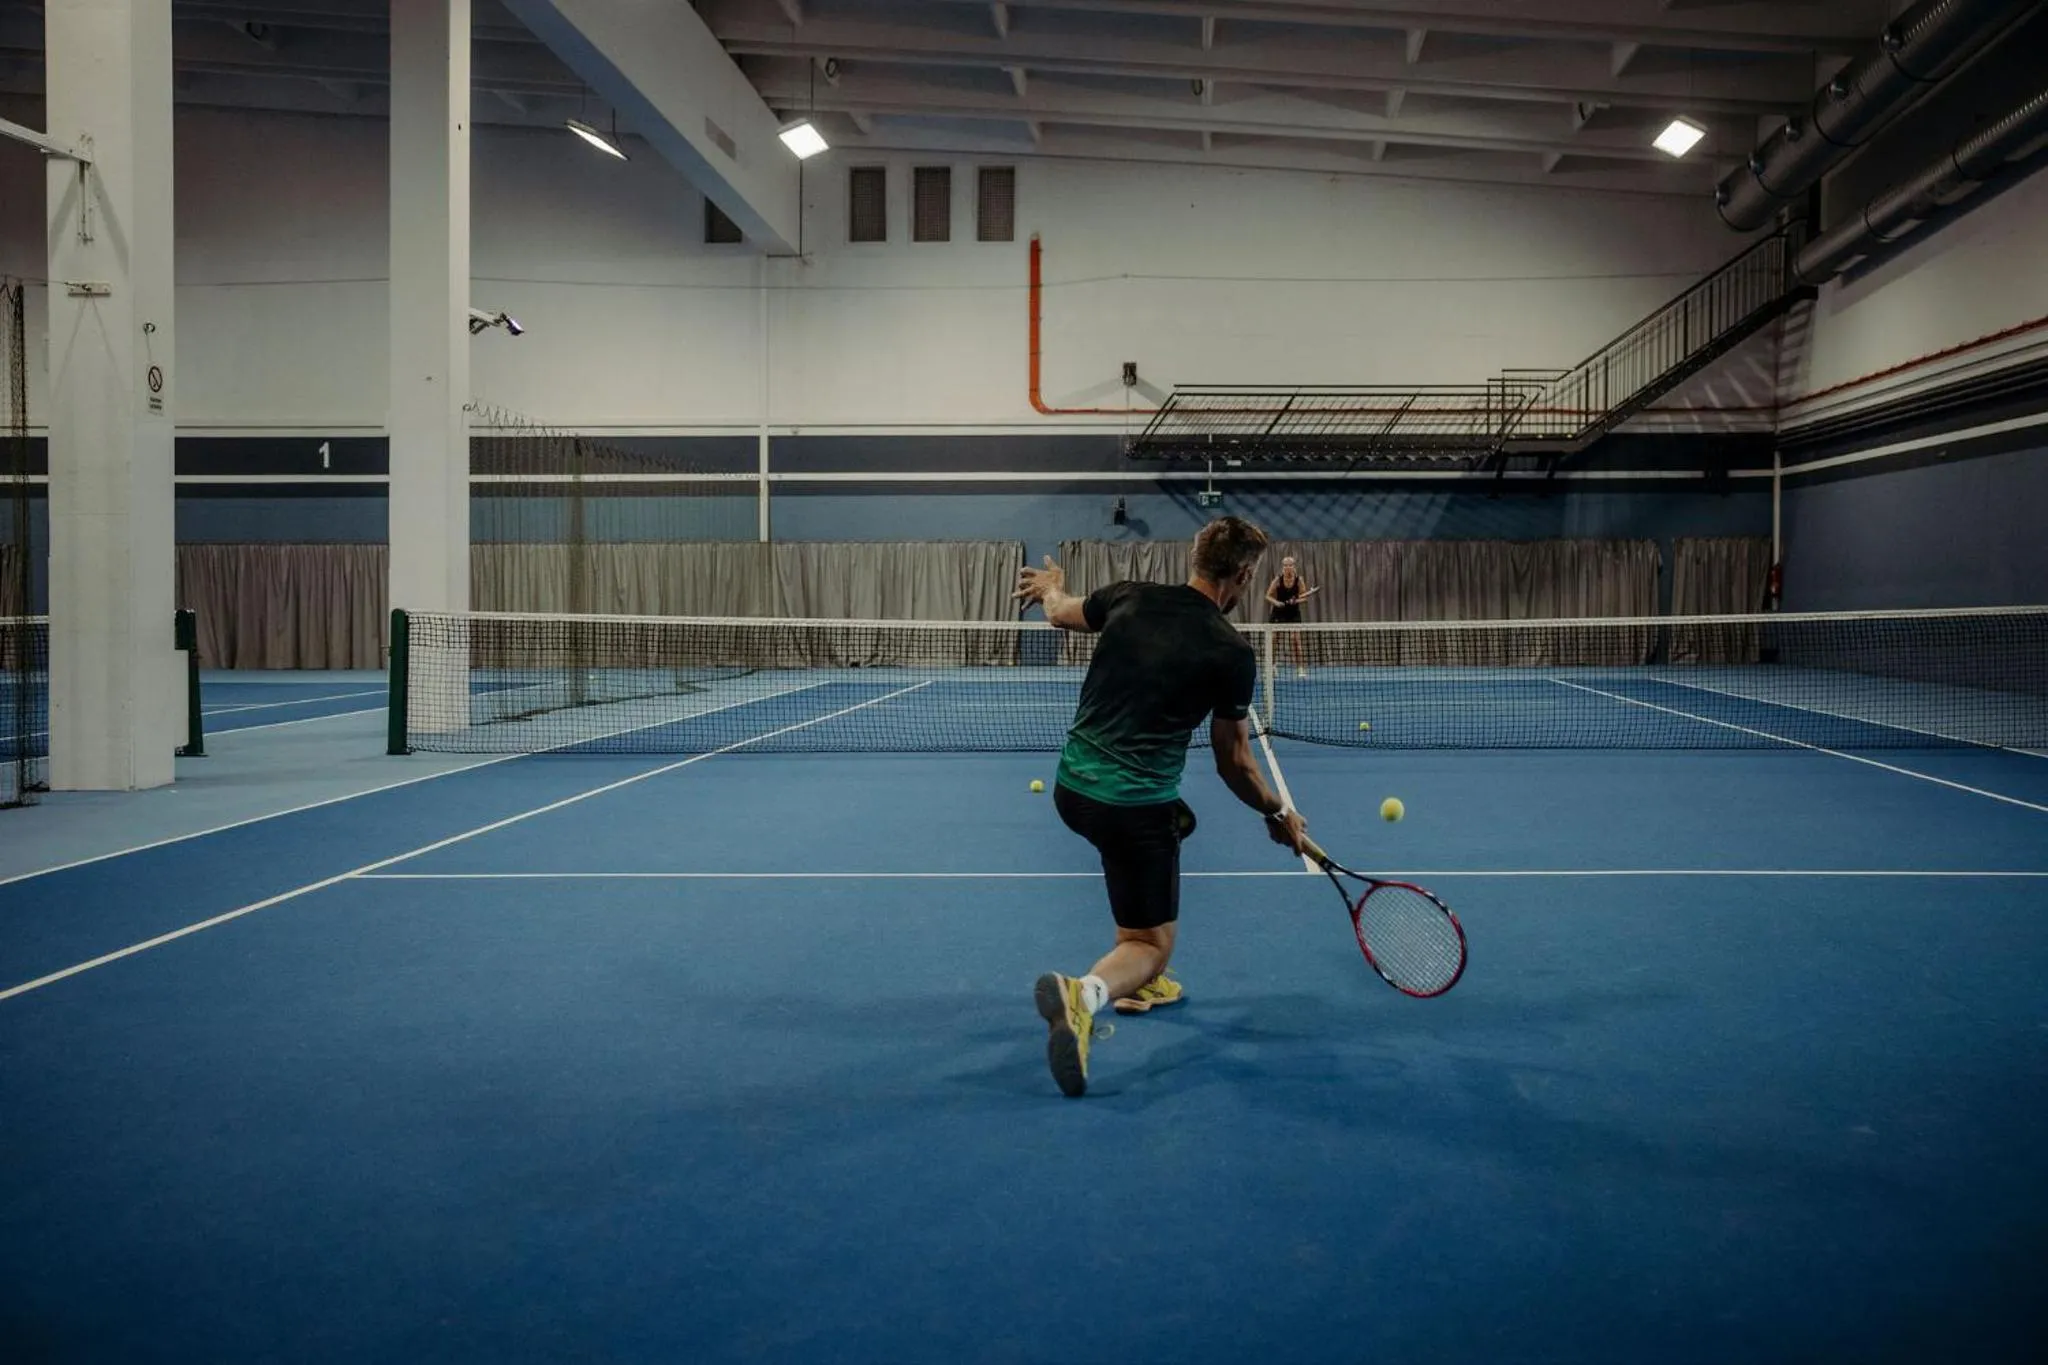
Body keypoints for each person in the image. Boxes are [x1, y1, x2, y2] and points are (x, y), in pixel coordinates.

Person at [1013, 517, 1310, 1098]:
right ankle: (1089, 995)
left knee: (1179, 822)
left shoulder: (1129, 596)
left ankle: (1144, 984)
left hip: (1073, 790)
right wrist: (1278, 813)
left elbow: (1057, 611)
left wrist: (1051, 584)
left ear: (1196, 559)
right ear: (1246, 575)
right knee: (1149, 943)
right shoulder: (1230, 651)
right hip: (1131, 809)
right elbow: (1235, 763)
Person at [1265, 555, 1318, 679]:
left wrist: (1296, 601)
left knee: (1295, 640)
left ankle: (1300, 669)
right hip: (1278, 613)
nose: (1288, 567)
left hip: (1293, 613)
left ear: (1294, 567)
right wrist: (1276, 602)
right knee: (1274, 640)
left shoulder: (1299, 580)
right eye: (1285, 565)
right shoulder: (1277, 580)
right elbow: (1267, 596)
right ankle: (1272, 666)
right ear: (1283, 567)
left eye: (1290, 565)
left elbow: (1304, 597)